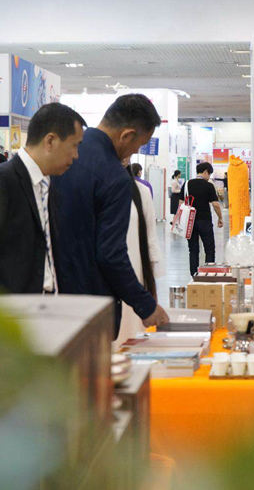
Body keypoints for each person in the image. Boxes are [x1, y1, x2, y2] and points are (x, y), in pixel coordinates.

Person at [53, 94, 170, 334]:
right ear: (126, 135)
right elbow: (110, 254)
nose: (134, 152)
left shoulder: (64, 154)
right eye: (138, 145)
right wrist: (146, 305)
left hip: (50, 299)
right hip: (91, 304)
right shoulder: (113, 175)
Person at [0, 103, 86, 300]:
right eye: (74, 145)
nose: (76, 155)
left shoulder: (49, 186)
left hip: (47, 306)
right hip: (7, 311)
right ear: (50, 141)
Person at [114, 161, 165, 349]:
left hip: (134, 279)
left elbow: (150, 239)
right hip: (100, 288)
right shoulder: (90, 187)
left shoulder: (140, 192)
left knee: (131, 342)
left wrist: (151, 289)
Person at [179, 162, 224, 276]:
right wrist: (220, 218)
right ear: (205, 172)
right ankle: (209, 274)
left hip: (190, 222)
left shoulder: (187, 184)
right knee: (209, 249)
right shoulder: (208, 185)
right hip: (205, 221)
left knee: (193, 250)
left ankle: (194, 275)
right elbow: (215, 204)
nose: (209, 177)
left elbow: (180, 203)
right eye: (209, 174)